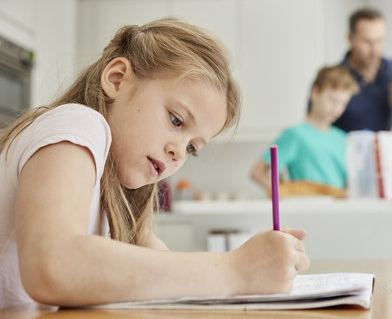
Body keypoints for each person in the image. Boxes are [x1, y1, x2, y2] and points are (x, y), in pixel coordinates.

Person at [0, 18, 309, 308]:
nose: (179, 153)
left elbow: (163, 268)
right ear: (117, 79)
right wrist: (237, 269)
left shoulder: (117, 198)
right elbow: (54, 264)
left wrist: (256, 267)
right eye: (176, 120)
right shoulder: (79, 124)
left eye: (192, 147)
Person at [250, 65, 359, 195]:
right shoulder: (295, 135)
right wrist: (285, 195)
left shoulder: (342, 138)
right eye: (332, 100)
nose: (337, 108)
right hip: (306, 210)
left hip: (337, 210)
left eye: (343, 103)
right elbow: (257, 172)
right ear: (315, 93)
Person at [333, 7, 392, 132]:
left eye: (379, 41)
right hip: (347, 149)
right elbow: (316, 130)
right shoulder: (332, 79)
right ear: (350, 38)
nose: (374, 49)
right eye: (367, 42)